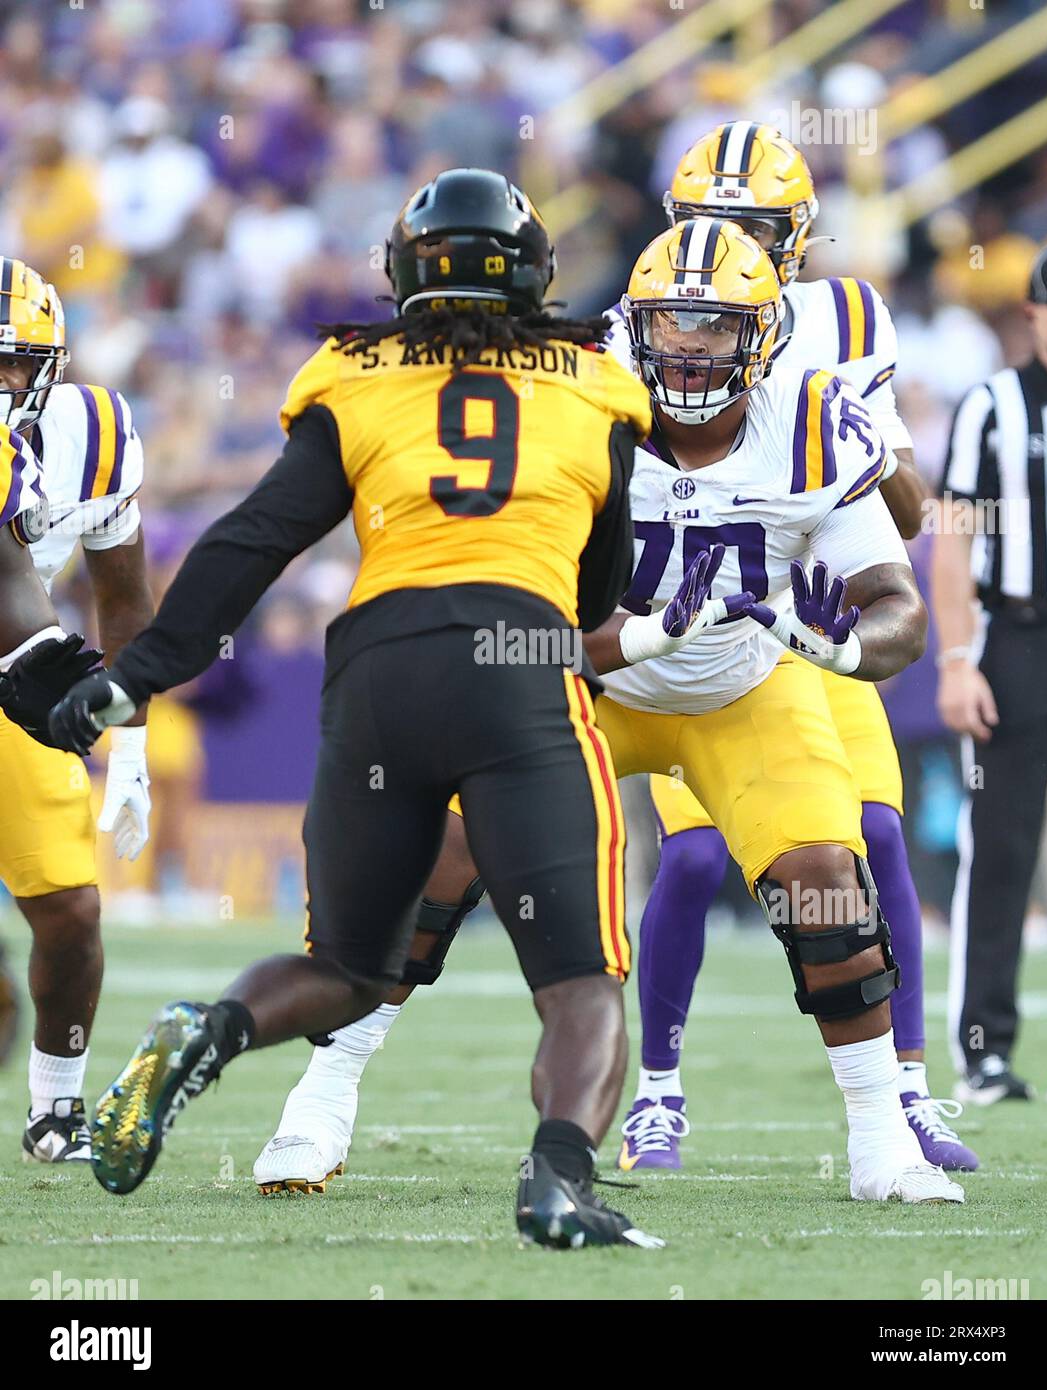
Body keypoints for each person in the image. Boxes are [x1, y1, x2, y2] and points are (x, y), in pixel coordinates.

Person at [43, 170, 734, 1248]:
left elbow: (257, 534)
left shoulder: (354, 374)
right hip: (520, 661)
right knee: (581, 980)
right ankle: (557, 1178)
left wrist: (143, 671)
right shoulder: (597, 383)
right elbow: (597, 595)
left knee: (345, 969)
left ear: (403, 273)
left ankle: (209, 1028)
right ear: (534, 274)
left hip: (378, 669)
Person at [243, 217, 965, 1207]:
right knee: (438, 862)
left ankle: (883, 1138)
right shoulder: (578, 405)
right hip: (588, 680)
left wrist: (839, 645)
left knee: (824, 887)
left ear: (764, 336)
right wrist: (630, 636)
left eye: (715, 326)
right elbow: (512, 598)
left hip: (746, 684)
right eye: (672, 323)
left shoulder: (815, 425)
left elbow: (900, 605)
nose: (689, 346)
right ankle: (320, 1099)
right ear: (637, 324)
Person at [606, 122, 974, 1174]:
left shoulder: (847, 317)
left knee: (876, 839)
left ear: (796, 235)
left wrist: (864, 432)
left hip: (808, 615)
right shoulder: (638, 325)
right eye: (709, 225)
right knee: (688, 854)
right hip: (683, 625)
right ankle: (658, 1093)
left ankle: (904, 1090)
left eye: (754, 228)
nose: (730, 245)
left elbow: (901, 519)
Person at [0, 258, 153, 1163]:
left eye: (15, 361)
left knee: (71, 912)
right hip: (21, 656)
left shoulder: (92, 431)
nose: (1, 380)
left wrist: (131, 747)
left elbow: (124, 599)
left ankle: (56, 1108)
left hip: (15, 673)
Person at [933, 242, 1047, 1104]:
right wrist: (954, 658)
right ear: (1034, 315)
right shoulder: (993, 407)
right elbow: (952, 541)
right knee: (1003, 848)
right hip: (1019, 638)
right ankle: (985, 1049)